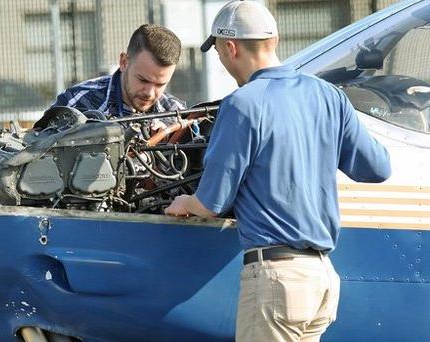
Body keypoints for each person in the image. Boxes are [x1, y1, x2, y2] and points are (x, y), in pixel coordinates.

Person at [164, 1, 391, 341]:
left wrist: (184, 202)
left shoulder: (242, 104)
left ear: (230, 47)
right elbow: (378, 168)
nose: (223, 62)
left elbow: (211, 203)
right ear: (274, 40)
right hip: (322, 280)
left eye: (220, 53)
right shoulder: (330, 97)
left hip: (276, 282)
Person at [51, 24, 186, 128]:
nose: (149, 93)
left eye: (160, 84)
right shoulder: (77, 103)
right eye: (143, 80)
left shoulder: (176, 113)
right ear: (123, 62)